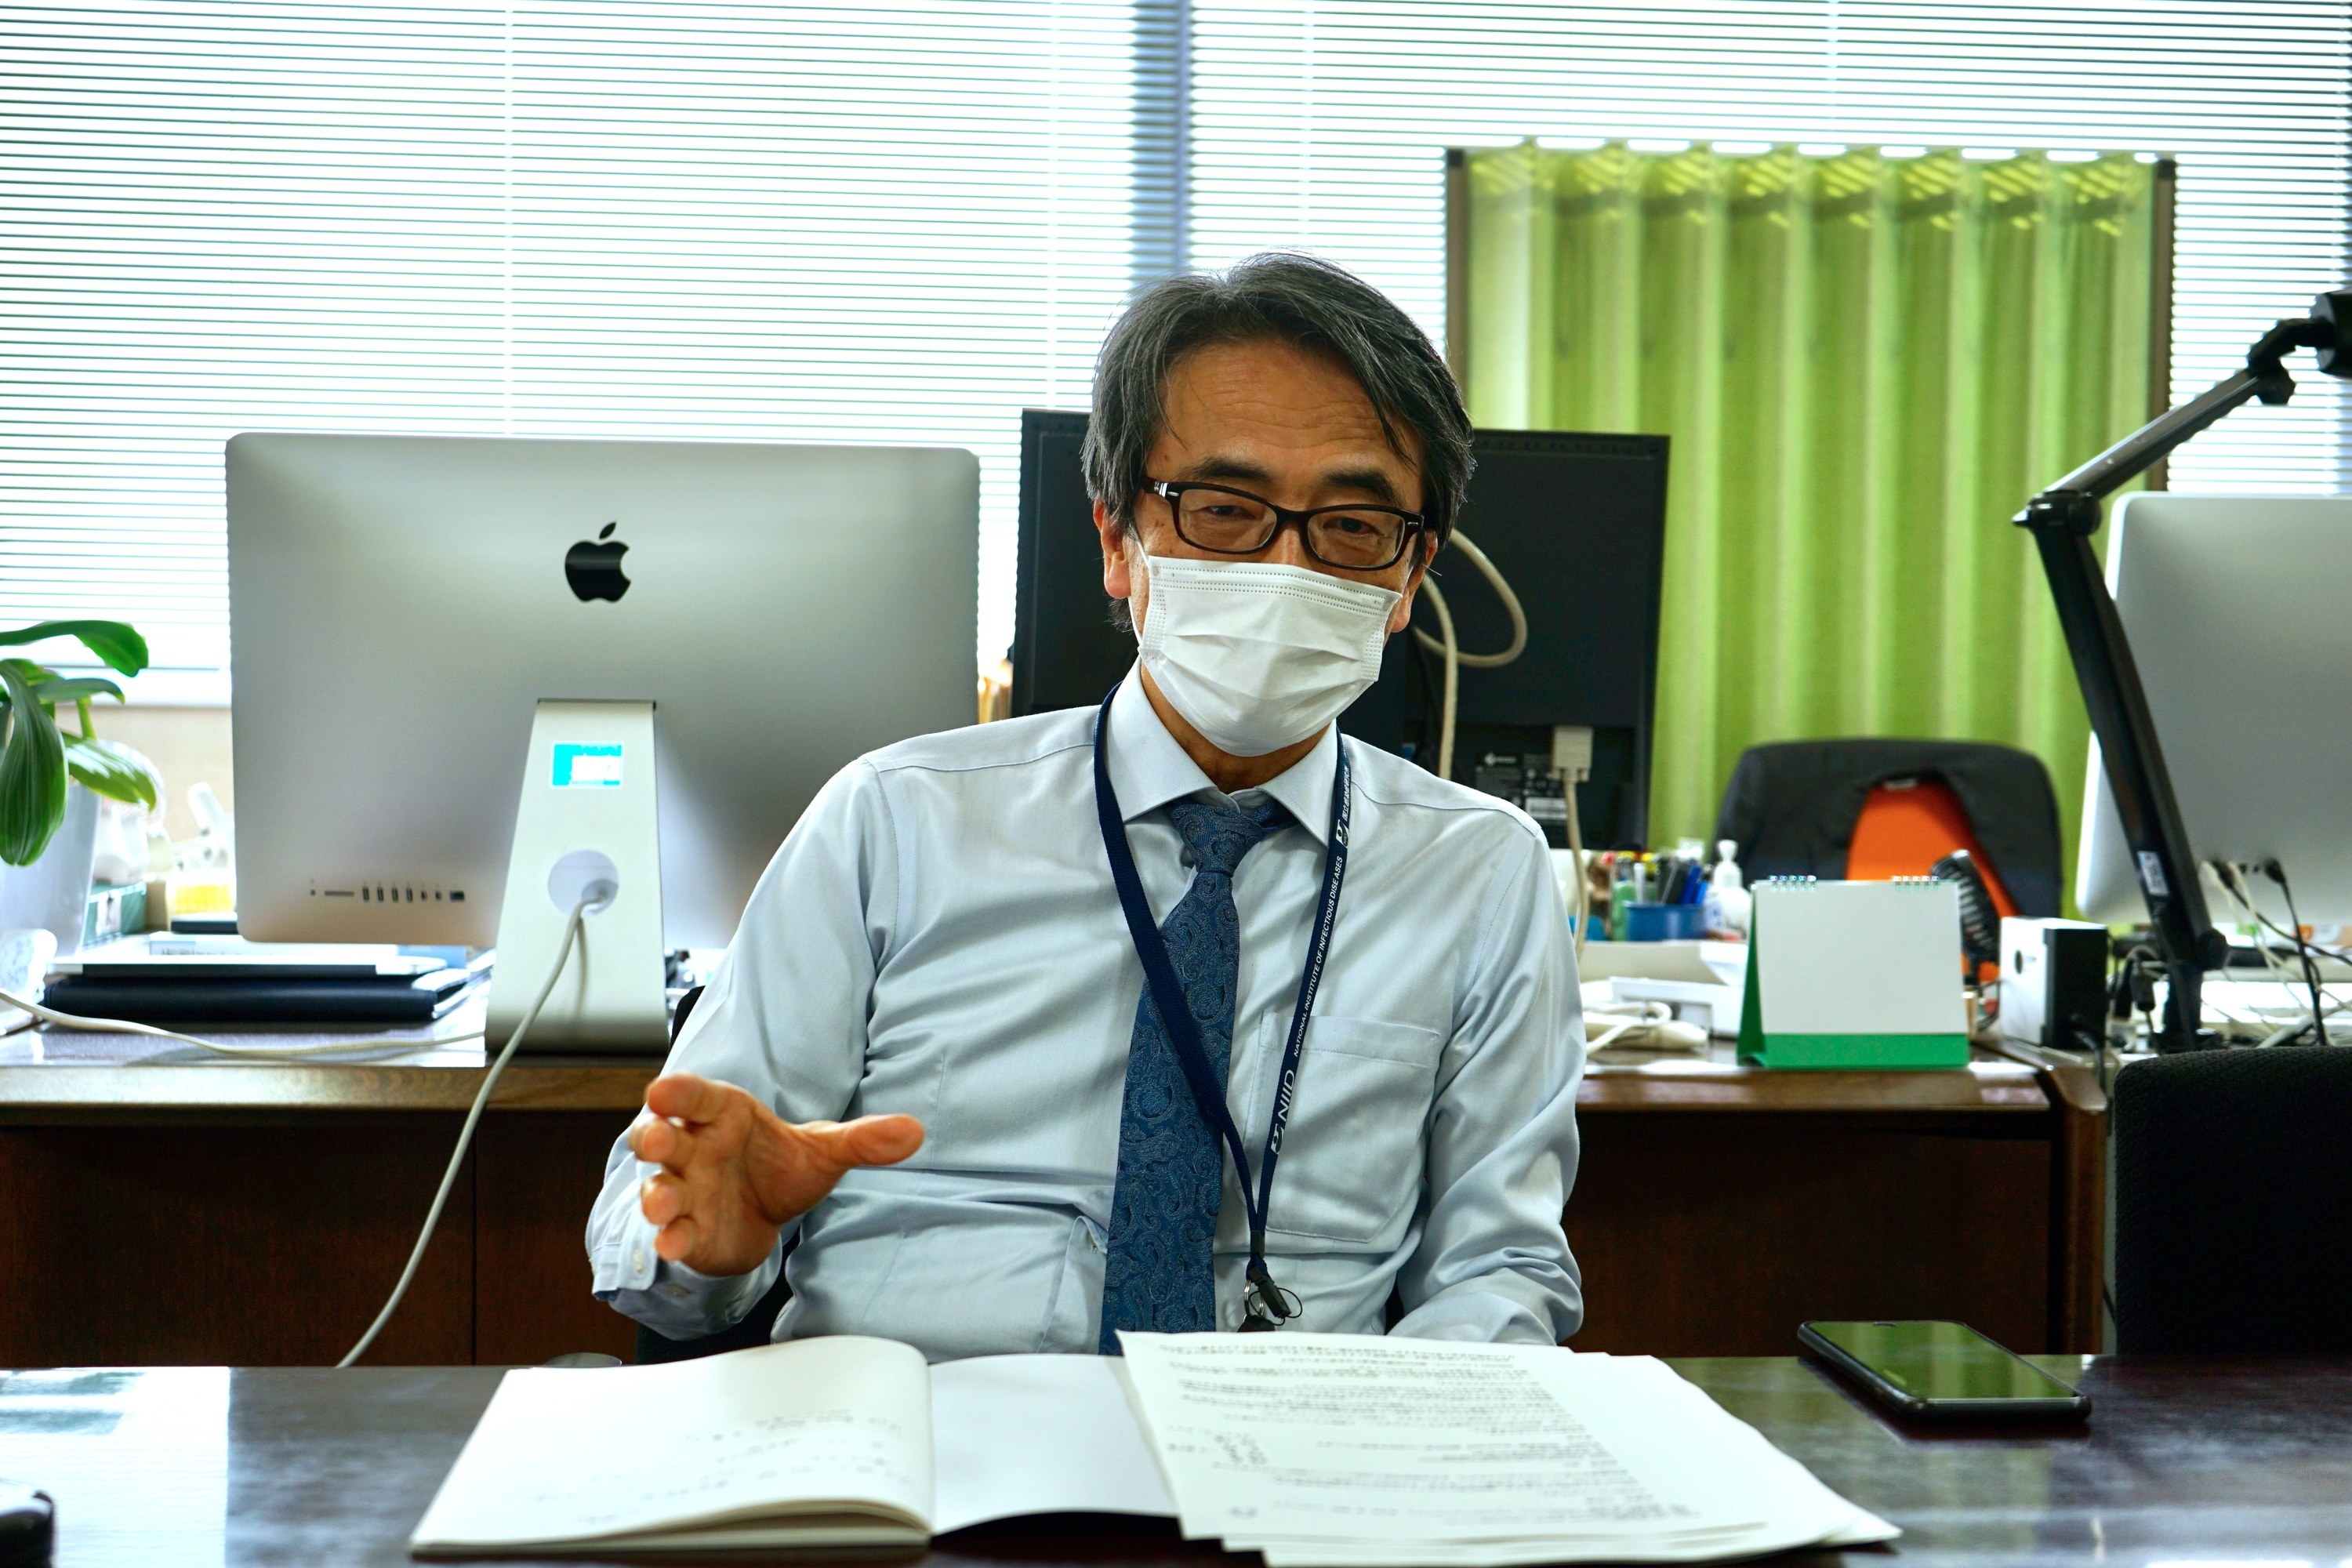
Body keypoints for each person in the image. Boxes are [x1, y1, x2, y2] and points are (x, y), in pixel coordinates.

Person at [587, 252, 1584, 1361]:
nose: (1287, 561)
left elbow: (1500, 1270)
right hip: (918, 1449)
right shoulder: (894, 822)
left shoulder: (1483, 869)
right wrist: (708, 1248)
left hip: (1294, 1474)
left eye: (1352, 526)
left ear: (1409, 579)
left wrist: (1419, 1463)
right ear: (1117, 538)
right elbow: (662, 1209)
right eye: (1224, 508)